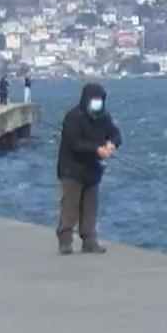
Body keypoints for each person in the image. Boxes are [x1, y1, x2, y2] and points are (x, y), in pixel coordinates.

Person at [56, 82, 120, 255]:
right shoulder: (73, 117)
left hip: (93, 169)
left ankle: (90, 241)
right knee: (70, 206)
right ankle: (65, 241)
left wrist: (111, 143)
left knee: (91, 207)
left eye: (100, 100)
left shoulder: (104, 117)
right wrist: (97, 149)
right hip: (72, 168)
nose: (97, 103)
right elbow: (75, 143)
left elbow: (115, 133)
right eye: (94, 100)